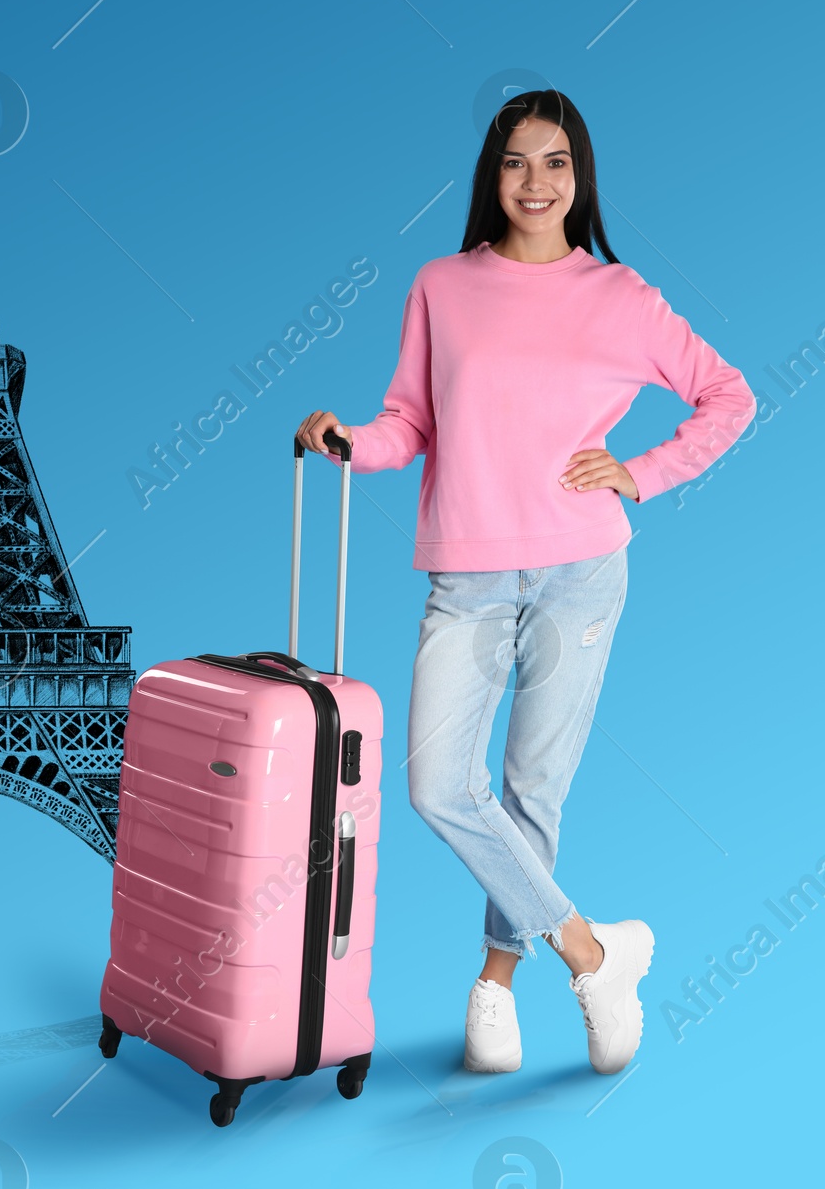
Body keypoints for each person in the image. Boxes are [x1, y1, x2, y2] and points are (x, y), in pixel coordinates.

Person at [296, 89, 754, 1077]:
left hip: (581, 571)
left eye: (554, 163)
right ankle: (595, 953)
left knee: (530, 788)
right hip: (465, 573)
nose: (534, 182)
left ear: (579, 176)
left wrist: (643, 472)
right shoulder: (439, 286)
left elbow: (729, 395)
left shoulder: (620, 297)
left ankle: (495, 986)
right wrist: (349, 444)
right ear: (489, 176)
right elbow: (409, 422)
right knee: (437, 784)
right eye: (514, 162)